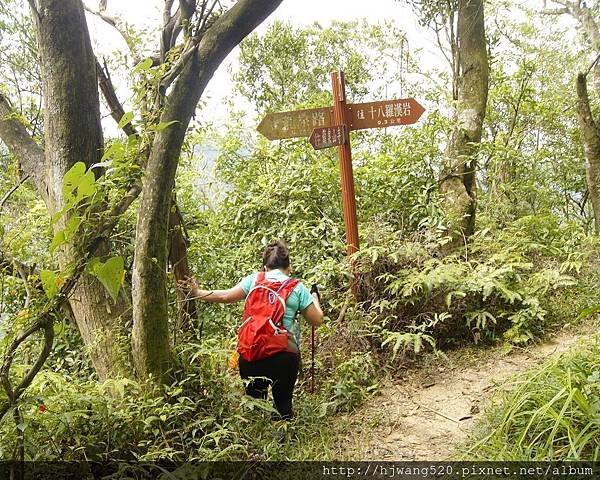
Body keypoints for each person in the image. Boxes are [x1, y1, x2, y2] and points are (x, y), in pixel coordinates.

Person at [178, 240, 324, 420]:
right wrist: (315, 299)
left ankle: (257, 443)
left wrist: (197, 292)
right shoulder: (297, 287)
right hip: (284, 356)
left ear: (265, 267)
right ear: (289, 266)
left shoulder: (254, 279)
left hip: (252, 354)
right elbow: (317, 320)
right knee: (283, 405)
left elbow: (225, 296)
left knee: (255, 409)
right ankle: (283, 435)